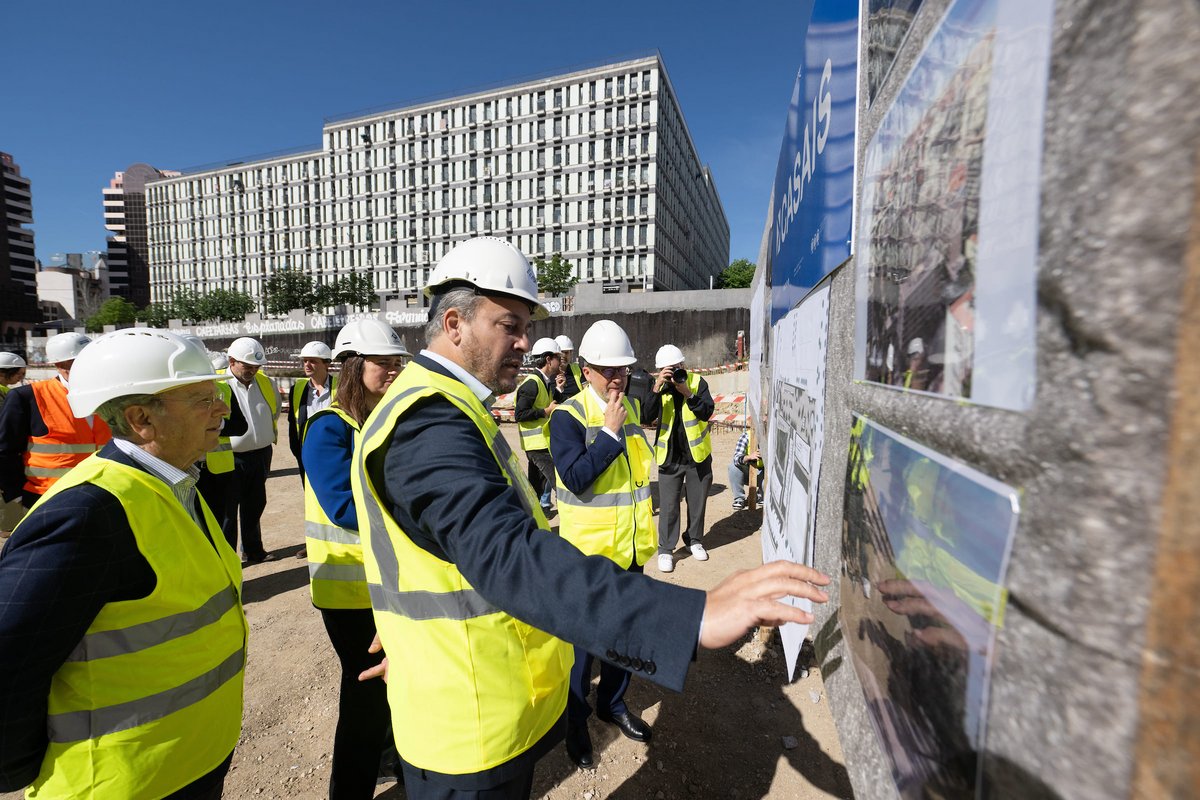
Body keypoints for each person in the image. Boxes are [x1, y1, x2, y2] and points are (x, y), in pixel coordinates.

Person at [351, 236, 830, 800]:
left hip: (475, 698)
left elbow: (431, 547)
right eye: (510, 325)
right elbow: (510, 556)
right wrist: (688, 617)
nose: (526, 342)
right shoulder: (429, 422)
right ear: (454, 324)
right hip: (470, 732)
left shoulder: (438, 406)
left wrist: (409, 636)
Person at [0, 328, 247, 798]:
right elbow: (9, 660)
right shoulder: (86, 516)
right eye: (201, 398)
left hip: (185, 761)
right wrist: (22, 769)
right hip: (121, 782)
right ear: (140, 419)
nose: (221, 407)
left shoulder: (175, 485)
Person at [303, 319, 408, 799]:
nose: (392, 371)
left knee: (386, 690)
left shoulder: (374, 420)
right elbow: (342, 504)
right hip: (347, 590)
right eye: (382, 363)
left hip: (378, 581)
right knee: (365, 697)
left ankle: (387, 758)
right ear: (352, 366)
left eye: (396, 363)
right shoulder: (329, 426)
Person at [548, 319, 656, 770]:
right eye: (608, 370)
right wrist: (609, 433)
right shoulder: (568, 416)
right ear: (586, 370)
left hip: (630, 552)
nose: (617, 378)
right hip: (588, 558)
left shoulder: (628, 407)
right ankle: (575, 727)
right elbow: (574, 477)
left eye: (624, 370)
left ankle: (612, 704)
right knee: (580, 653)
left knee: (624, 640)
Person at [0, 332, 111, 516]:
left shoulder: (110, 394)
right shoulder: (29, 397)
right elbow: (4, 452)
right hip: (47, 499)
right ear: (60, 364)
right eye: (81, 359)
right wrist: (17, 498)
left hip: (105, 494)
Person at [644, 344, 715, 573]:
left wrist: (688, 393)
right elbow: (645, 415)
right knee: (668, 507)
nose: (674, 372)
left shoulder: (696, 383)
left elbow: (707, 411)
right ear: (659, 370)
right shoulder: (658, 387)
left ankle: (694, 541)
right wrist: (656, 387)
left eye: (676, 367)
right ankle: (665, 549)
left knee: (697, 503)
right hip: (670, 457)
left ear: (683, 365)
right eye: (668, 369)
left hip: (697, 457)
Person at [219, 336, 280, 564]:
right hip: (228, 458)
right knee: (227, 512)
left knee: (255, 505)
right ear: (232, 361)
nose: (253, 370)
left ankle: (254, 550)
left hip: (261, 455)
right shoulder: (217, 385)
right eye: (248, 366)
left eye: (257, 366)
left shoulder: (266, 383)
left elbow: (273, 412)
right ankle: (227, 560)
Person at [515, 336, 563, 513]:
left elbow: (549, 405)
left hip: (542, 443)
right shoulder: (531, 384)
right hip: (536, 446)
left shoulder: (544, 382)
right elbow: (519, 414)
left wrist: (558, 391)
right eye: (559, 358)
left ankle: (533, 519)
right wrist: (545, 411)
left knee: (535, 487)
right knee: (559, 482)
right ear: (549, 359)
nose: (561, 362)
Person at [288, 340, 337, 487]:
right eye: (305, 361)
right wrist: (297, 451)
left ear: (327, 363)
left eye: (313, 361)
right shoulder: (297, 388)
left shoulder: (341, 387)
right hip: (306, 451)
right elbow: (292, 422)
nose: (307, 365)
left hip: (334, 451)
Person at [0, 352, 28, 534]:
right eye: (18, 374)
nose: (20, 378)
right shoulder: (5, 394)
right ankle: (8, 528)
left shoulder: (6, 392)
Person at [728, 428, 763, 511]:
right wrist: (748, 457)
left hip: (764, 474)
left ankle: (761, 495)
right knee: (733, 467)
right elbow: (736, 458)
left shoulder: (773, 435)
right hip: (749, 472)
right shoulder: (747, 435)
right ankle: (739, 499)